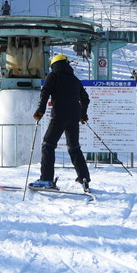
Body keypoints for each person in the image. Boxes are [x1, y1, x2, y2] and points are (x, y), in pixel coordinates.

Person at [31, 54, 91, 190]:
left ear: (54, 65)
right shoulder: (75, 79)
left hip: (59, 115)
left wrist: (40, 111)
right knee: (74, 147)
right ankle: (84, 177)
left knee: (48, 145)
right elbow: (85, 99)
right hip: (74, 117)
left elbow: (45, 93)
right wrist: (82, 115)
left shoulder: (53, 76)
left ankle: (46, 179)